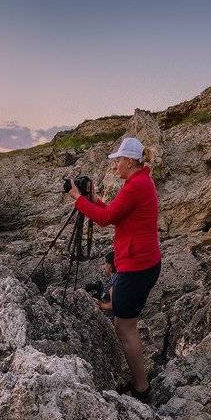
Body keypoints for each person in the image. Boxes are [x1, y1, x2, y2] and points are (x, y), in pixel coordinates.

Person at [68, 136, 161, 402]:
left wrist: (78, 199)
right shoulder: (139, 182)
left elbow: (105, 219)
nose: (114, 166)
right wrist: (94, 200)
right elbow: (111, 215)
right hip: (140, 263)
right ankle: (140, 384)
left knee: (124, 328)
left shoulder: (136, 186)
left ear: (130, 161)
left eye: (118, 160)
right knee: (125, 324)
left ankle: (141, 389)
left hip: (137, 267)